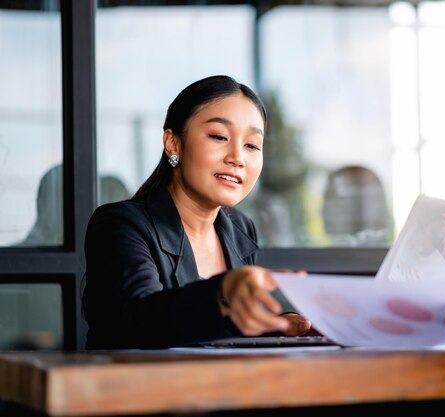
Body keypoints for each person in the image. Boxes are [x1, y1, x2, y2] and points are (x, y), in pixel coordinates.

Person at [82, 75, 312, 349]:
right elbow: (141, 319)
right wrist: (222, 292)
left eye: (251, 145)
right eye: (219, 137)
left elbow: (222, 337)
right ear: (173, 143)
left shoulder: (240, 230)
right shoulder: (121, 225)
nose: (237, 158)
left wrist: (279, 327)